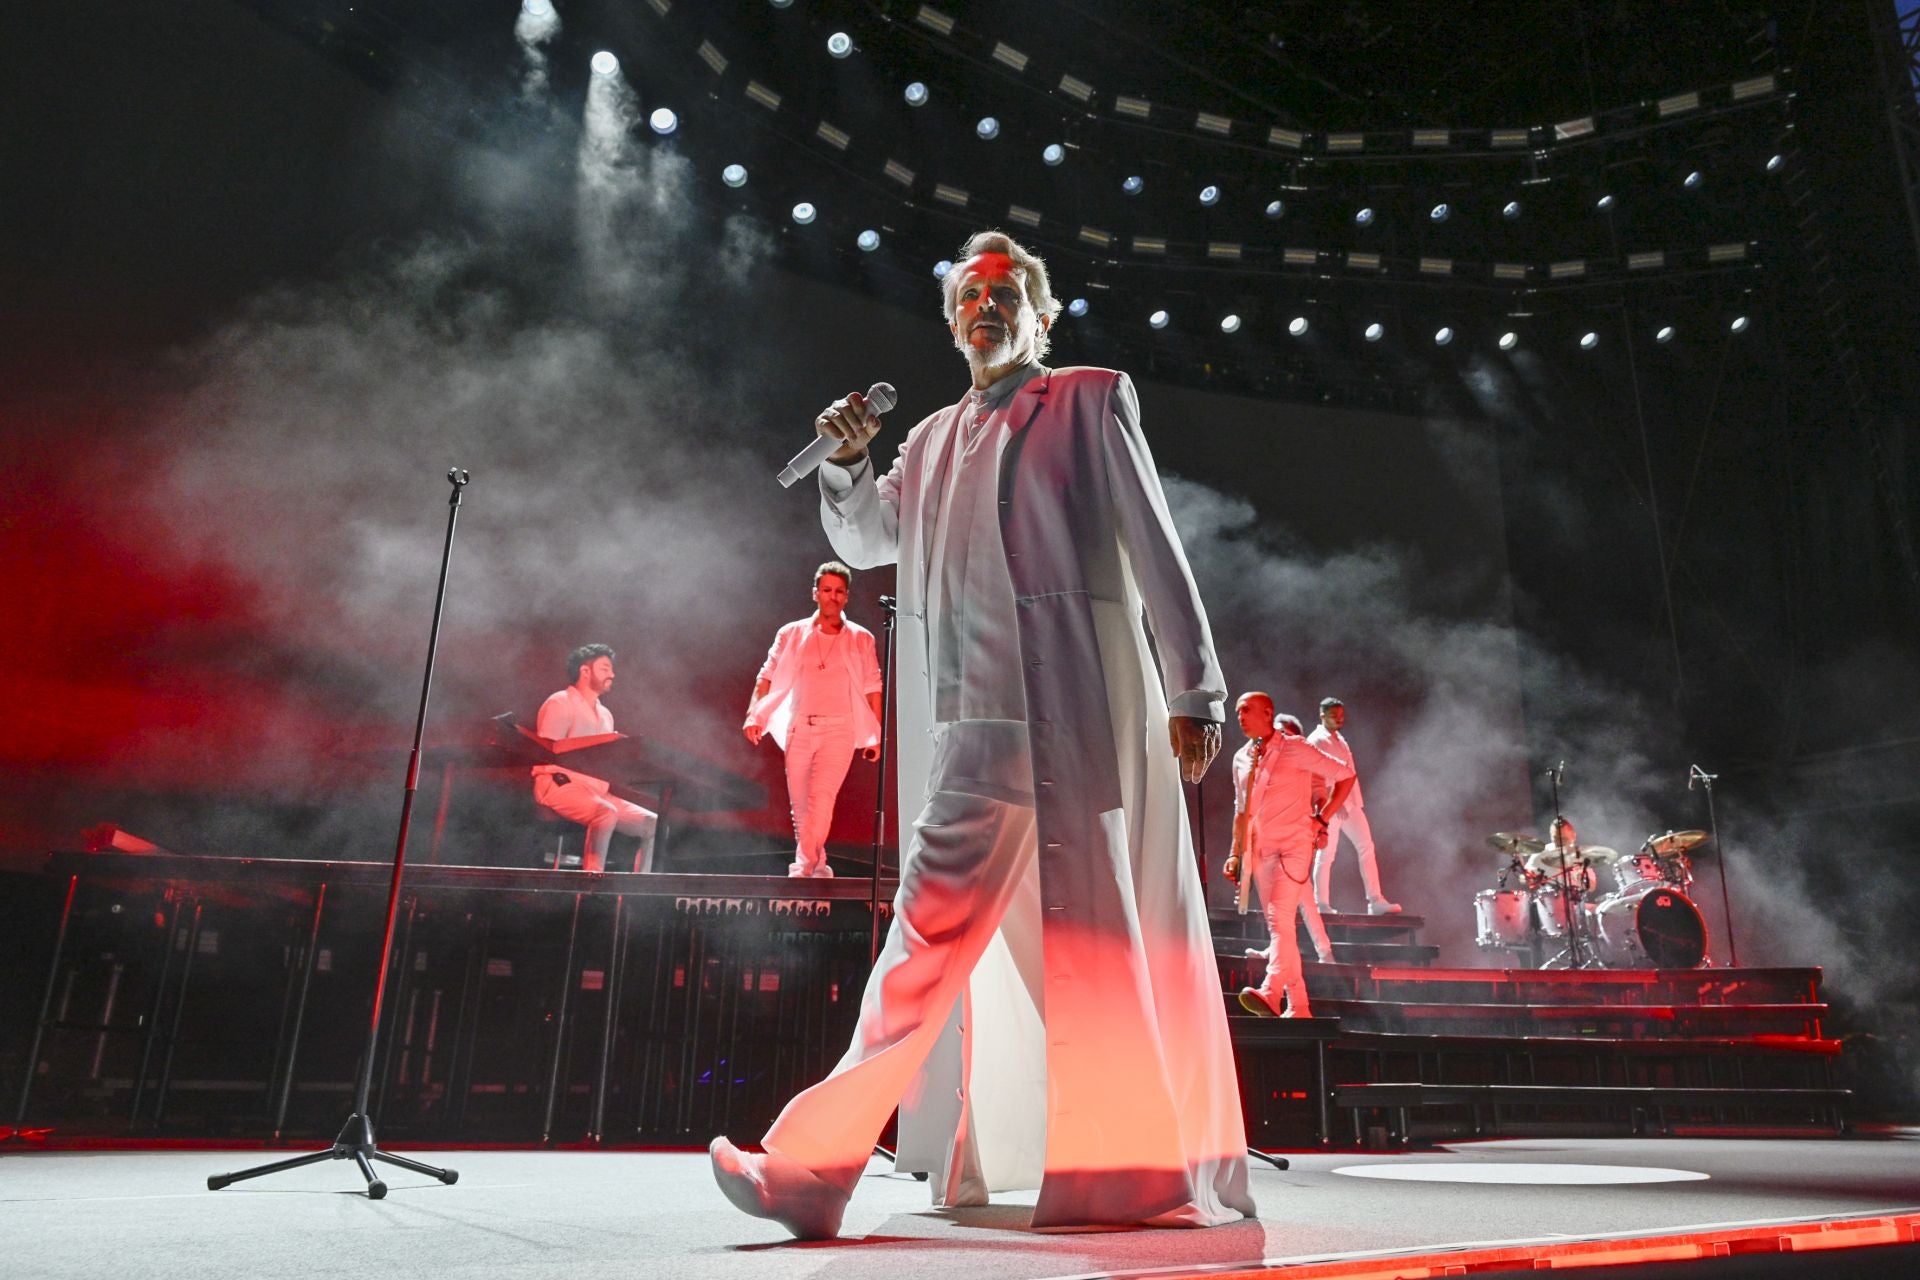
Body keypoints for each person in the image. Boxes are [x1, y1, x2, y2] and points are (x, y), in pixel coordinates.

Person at [709, 230, 1250, 1239]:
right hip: (973, 734)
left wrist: (1198, 689)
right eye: (967, 297)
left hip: (1070, 722)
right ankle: (812, 1169)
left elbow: (1154, 543)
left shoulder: (1089, 397)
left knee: (1091, 950)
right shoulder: (931, 436)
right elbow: (871, 539)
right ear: (952, 319)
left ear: (1039, 314)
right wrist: (852, 462)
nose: (984, 309)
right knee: (917, 954)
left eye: (1004, 294)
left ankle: (1131, 1171)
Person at [743, 561, 885, 878]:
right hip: (800, 726)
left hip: (840, 730)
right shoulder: (791, 634)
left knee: (822, 797)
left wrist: (875, 735)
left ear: (846, 596)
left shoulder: (861, 638)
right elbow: (765, 676)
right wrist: (754, 715)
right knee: (802, 807)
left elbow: (873, 687)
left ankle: (803, 866)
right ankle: (818, 864)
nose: (832, 597)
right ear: (815, 593)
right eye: (826, 590)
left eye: (838, 592)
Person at [1224, 695, 1354, 1018]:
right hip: (1261, 852)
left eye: (1246, 710)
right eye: (1237, 711)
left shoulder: (1296, 747)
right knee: (1280, 928)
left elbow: (1346, 775)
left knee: (1279, 922)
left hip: (1294, 849)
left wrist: (1323, 818)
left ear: (1267, 713)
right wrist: (1235, 855)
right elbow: (1241, 812)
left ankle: (1270, 991)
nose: (1239, 716)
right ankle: (1300, 1006)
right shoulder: (1241, 758)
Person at [529, 644, 658, 873]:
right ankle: (591, 881)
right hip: (559, 784)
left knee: (654, 824)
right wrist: (599, 744)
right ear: (585, 671)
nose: (612, 674)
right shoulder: (560, 702)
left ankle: (641, 887)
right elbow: (549, 748)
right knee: (605, 812)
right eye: (605, 668)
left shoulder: (606, 715)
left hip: (597, 791)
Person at [1308, 697, 1400, 914]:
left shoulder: (1339, 738)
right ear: (1322, 716)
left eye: (1341, 715)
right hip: (1333, 804)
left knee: (1366, 846)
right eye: (1334, 715)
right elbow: (1318, 775)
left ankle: (1375, 900)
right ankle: (1321, 903)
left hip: (1351, 803)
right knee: (1326, 853)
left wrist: (1352, 801)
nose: (1339, 719)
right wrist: (1332, 801)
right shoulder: (1317, 740)